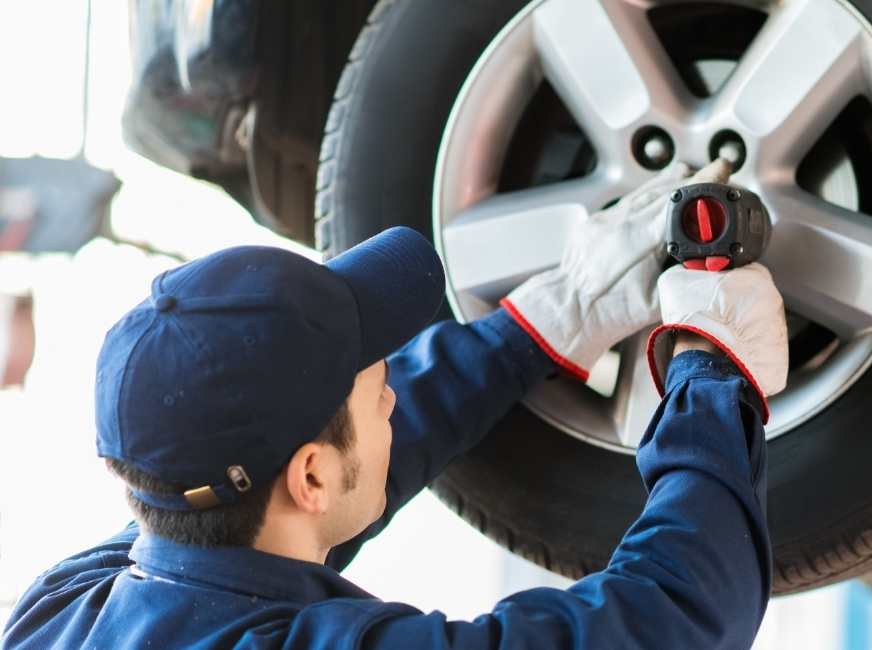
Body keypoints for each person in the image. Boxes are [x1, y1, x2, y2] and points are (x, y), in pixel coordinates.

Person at [0, 160, 789, 649]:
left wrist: (541, 326)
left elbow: (293, 498)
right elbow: (679, 620)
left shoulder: (64, 610)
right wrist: (711, 371)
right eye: (379, 388)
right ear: (309, 477)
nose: (393, 400)